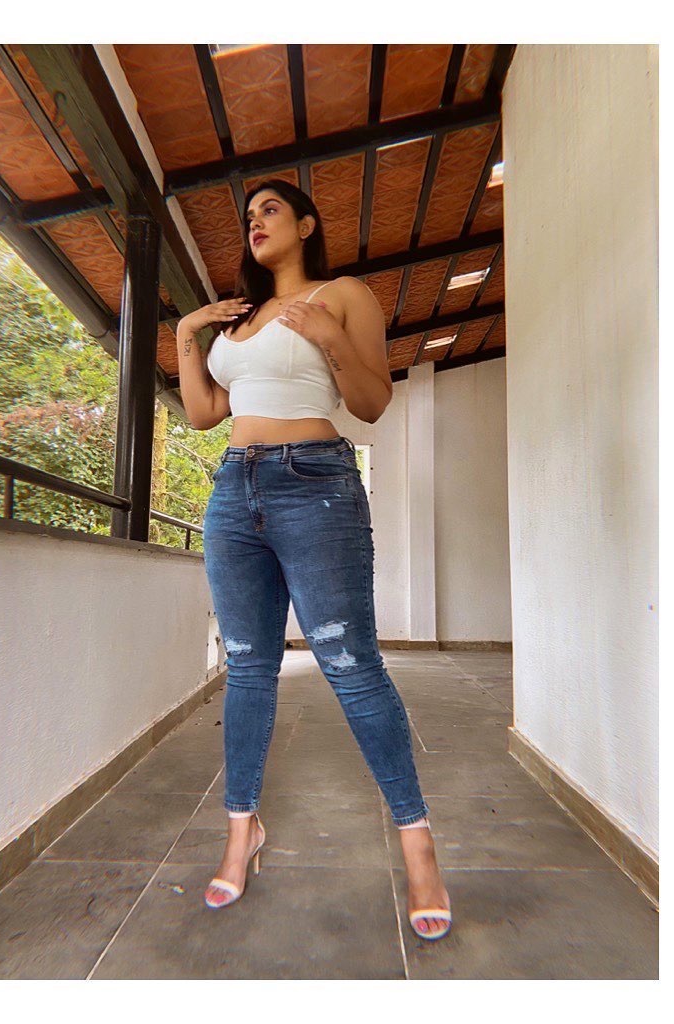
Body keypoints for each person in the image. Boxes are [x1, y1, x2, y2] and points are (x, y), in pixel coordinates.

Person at [175, 179, 451, 941]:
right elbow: (203, 413)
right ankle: (241, 832)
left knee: (352, 665)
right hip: (234, 492)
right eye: (249, 215)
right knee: (247, 668)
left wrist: (328, 335)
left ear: (305, 224)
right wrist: (187, 333)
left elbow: (372, 401)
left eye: (270, 210)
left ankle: (418, 843)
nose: (255, 223)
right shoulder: (238, 320)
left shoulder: (344, 294)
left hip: (314, 483)